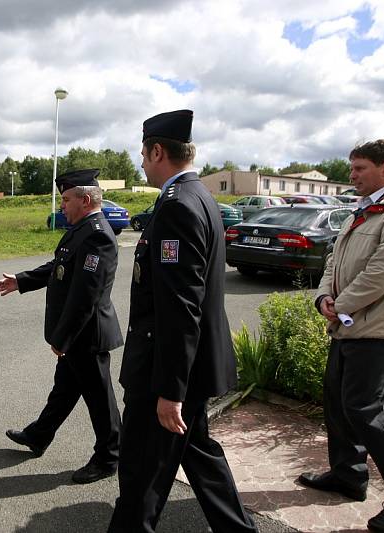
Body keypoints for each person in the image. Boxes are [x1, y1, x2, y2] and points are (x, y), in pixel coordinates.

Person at [108, 110, 256, 532]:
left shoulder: (177, 207)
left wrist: (169, 390)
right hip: (187, 365)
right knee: (199, 454)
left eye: (143, 153)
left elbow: (180, 306)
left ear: (158, 151)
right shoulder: (200, 197)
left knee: (140, 473)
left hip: (167, 371)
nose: (140, 161)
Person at [299, 139, 384, 533]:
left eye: (360, 167)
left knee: (364, 408)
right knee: (338, 402)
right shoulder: (361, 209)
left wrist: (343, 302)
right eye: (352, 166)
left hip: (382, 327)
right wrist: (326, 296)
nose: (352, 174)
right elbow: (334, 260)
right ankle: (348, 475)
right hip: (348, 324)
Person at [0, 168, 123, 484]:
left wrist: (62, 338)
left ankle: (109, 458)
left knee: (100, 400)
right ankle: (39, 436)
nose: (61, 205)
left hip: (86, 336)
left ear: (86, 199)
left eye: (66, 199)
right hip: (76, 336)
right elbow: (59, 268)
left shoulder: (99, 236)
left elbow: (85, 296)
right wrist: (21, 281)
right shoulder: (81, 230)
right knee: (64, 390)